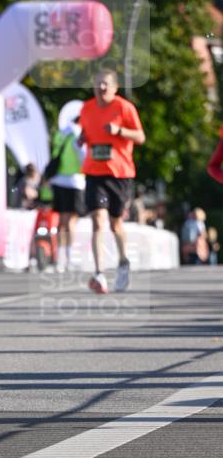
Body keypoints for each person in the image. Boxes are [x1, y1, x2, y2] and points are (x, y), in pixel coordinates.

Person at [78, 68, 145, 294]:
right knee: (97, 220)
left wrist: (120, 130)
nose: (102, 88)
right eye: (98, 84)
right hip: (94, 171)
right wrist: (82, 138)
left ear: (115, 88)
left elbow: (140, 137)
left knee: (116, 223)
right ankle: (99, 273)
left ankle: (124, 261)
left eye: (106, 84)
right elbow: (88, 132)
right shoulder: (86, 108)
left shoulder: (124, 108)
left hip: (120, 173)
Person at [48, 119, 86, 271]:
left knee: (61, 222)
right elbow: (83, 157)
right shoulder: (77, 134)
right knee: (71, 222)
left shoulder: (60, 134)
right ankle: (69, 259)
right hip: (74, 181)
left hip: (58, 180)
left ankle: (59, 259)